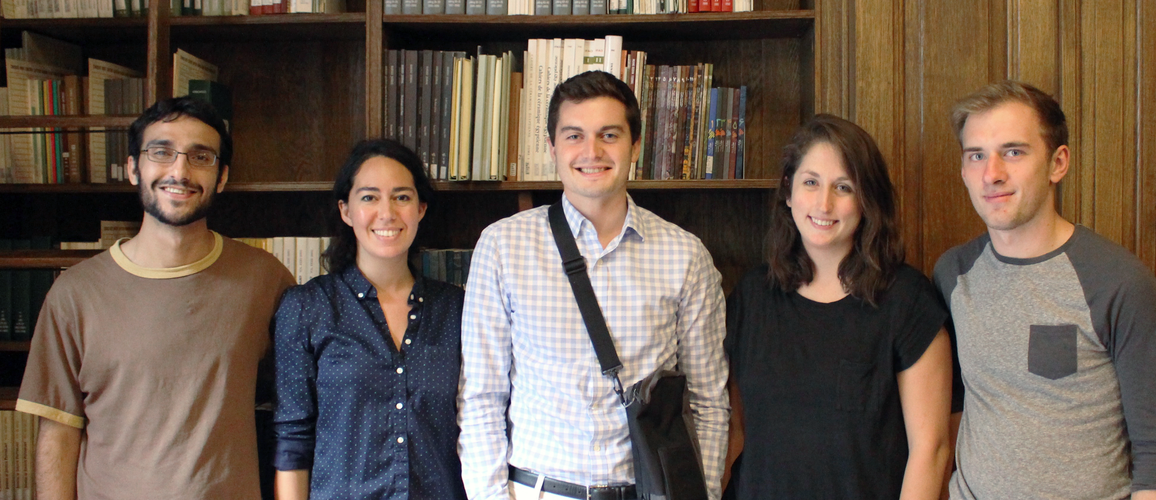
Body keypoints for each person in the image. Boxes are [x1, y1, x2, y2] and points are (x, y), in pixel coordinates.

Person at [458, 70, 729, 500]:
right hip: (536, 490)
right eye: (574, 136)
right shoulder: (503, 247)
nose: (592, 151)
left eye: (609, 135)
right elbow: (481, 397)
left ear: (635, 145)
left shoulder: (685, 256)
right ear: (551, 148)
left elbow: (707, 403)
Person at [15, 97, 295, 499]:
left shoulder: (265, 280)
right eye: (161, 152)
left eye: (200, 156)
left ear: (222, 176)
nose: (179, 171)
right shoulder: (74, 294)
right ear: (133, 168)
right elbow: (59, 432)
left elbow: (303, 400)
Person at [934, 80, 1156, 499]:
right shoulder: (953, 274)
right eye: (976, 155)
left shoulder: (1118, 282)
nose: (992, 174)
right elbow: (955, 406)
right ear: (963, 170)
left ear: (1058, 163)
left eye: (1013, 152)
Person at [722, 114, 953, 499]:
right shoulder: (752, 297)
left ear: (867, 200)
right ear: (788, 190)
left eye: (843, 187)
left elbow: (931, 450)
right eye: (810, 182)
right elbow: (734, 430)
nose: (823, 203)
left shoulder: (907, 300)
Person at [273, 139, 466, 500]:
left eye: (402, 197)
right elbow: (292, 439)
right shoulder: (307, 308)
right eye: (369, 197)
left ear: (421, 208)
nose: (387, 212)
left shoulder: (457, 309)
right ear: (346, 210)